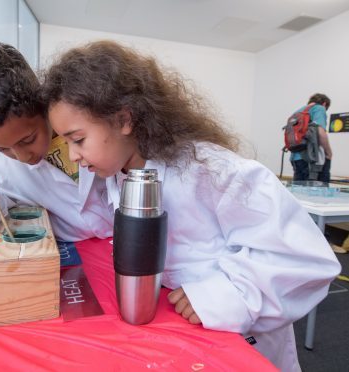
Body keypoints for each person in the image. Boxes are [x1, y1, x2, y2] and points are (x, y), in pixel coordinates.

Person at [41, 40, 341, 371]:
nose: (72, 156)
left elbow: (306, 261)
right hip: (182, 336)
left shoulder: (210, 170)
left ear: (124, 119)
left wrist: (219, 297)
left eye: (78, 139)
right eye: (66, 142)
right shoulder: (117, 175)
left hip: (239, 339)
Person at [0, 37, 113, 242]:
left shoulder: (88, 121)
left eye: (28, 139)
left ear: (42, 104)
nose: (22, 156)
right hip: (71, 250)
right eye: (2, 149)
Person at [290, 93, 333, 183]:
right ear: (324, 103)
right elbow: (321, 133)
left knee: (300, 192)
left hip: (295, 159)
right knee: (320, 193)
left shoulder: (297, 112)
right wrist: (329, 153)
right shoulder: (319, 108)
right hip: (311, 159)